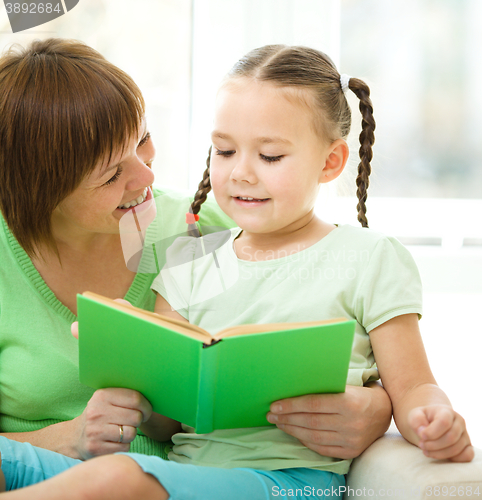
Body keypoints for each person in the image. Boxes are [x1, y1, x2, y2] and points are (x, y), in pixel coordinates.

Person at [0, 44, 473, 499]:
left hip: (286, 479)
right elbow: (168, 423)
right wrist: (134, 356)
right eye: (224, 152)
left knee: (114, 478)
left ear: (330, 162)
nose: (241, 174)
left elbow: (413, 385)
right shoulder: (188, 266)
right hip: (182, 473)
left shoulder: (366, 256)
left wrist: (420, 416)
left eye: (269, 157)